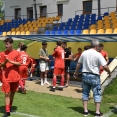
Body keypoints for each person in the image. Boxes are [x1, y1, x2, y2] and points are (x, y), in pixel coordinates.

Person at [74, 40, 111, 117]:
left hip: (85, 75)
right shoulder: (98, 54)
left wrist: (76, 72)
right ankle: (97, 112)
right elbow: (105, 66)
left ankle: (85, 111)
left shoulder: (84, 53)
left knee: (85, 93)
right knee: (97, 93)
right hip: (94, 76)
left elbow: (78, 64)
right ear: (97, 46)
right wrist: (109, 72)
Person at [0, 38, 21, 117]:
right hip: (6, 77)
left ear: (11, 44)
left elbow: (20, 63)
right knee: (7, 93)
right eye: (5, 44)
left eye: (7, 44)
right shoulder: (2, 53)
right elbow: (1, 65)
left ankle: (10, 106)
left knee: (13, 92)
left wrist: (10, 61)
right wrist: (5, 61)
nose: (6, 45)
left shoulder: (17, 53)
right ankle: (7, 111)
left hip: (15, 76)